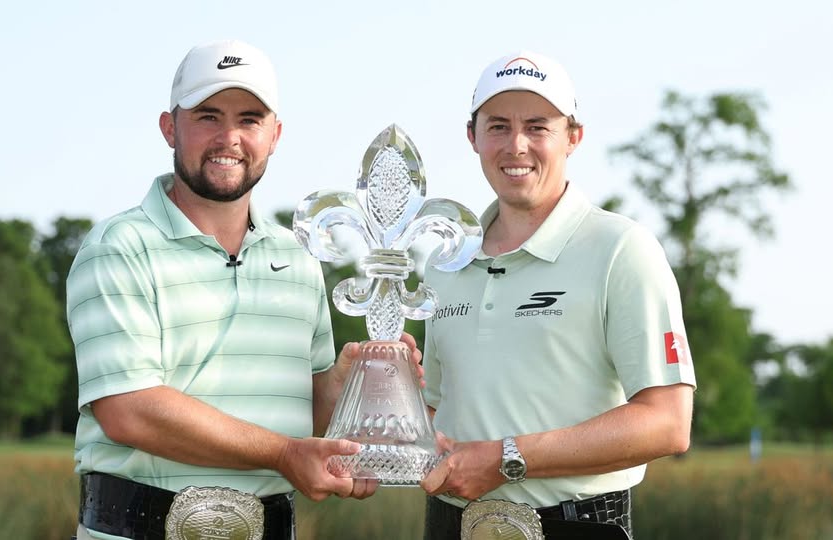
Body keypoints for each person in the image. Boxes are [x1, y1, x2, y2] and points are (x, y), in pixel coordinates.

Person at [66, 39, 419, 540]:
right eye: (208, 117)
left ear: (275, 135)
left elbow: (304, 417)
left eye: (249, 120)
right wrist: (283, 454)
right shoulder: (119, 247)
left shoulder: (298, 258)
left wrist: (347, 389)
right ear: (170, 128)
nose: (229, 137)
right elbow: (129, 411)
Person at [419, 51, 697, 539]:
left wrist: (506, 460)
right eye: (498, 126)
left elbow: (667, 423)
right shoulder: (445, 263)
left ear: (573, 137)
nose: (517, 145)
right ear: (473, 137)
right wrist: (386, 388)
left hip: (577, 526)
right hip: (448, 525)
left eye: (538, 126)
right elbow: (439, 412)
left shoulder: (622, 249)